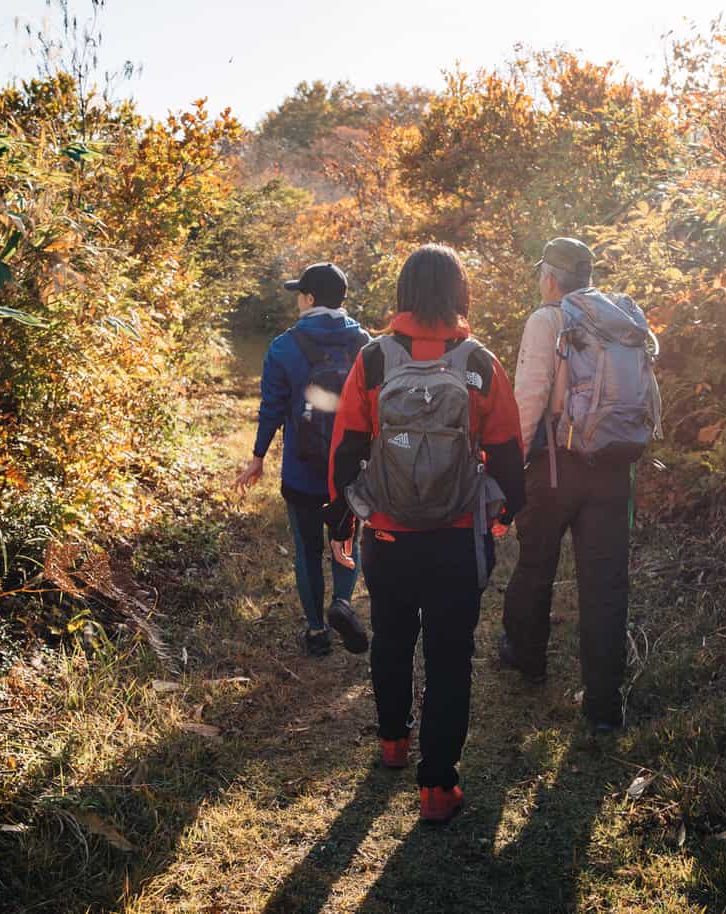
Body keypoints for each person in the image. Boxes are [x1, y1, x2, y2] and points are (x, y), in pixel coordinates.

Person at [327, 243, 525, 823]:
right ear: (460, 292)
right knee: (449, 655)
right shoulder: (480, 363)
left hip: (388, 534)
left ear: (404, 293)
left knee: (391, 636)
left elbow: (347, 447)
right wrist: (505, 515)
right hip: (457, 536)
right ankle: (439, 788)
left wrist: (343, 515)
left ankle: (393, 743)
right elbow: (509, 453)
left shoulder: (375, 361)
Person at [500, 237, 660, 733]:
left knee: (536, 563)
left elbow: (529, 398)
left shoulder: (548, 319)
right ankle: (604, 705)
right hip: (614, 466)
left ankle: (527, 660)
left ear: (550, 276)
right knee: (606, 581)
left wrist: (510, 471)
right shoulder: (619, 318)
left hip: (556, 464)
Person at [234, 262, 371, 657]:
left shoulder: (283, 346)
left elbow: (271, 409)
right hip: (349, 469)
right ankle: (342, 605)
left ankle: (315, 631)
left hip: (302, 469)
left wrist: (258, 457)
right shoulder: (364, 343)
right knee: (345, 540)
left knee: (307, 549)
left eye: (300, 293)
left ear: (309, 299)